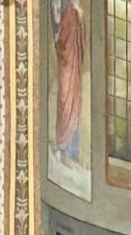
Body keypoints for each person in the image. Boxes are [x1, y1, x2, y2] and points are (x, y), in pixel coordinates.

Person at [50, 0, 85, 165]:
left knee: (75, 102)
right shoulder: (67, 10)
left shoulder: (74, 11)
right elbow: (58, 27)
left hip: (74, 66)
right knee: (65, 98)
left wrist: (79, 14)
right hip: (66, 64)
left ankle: (71, 152)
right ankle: (62, 146)